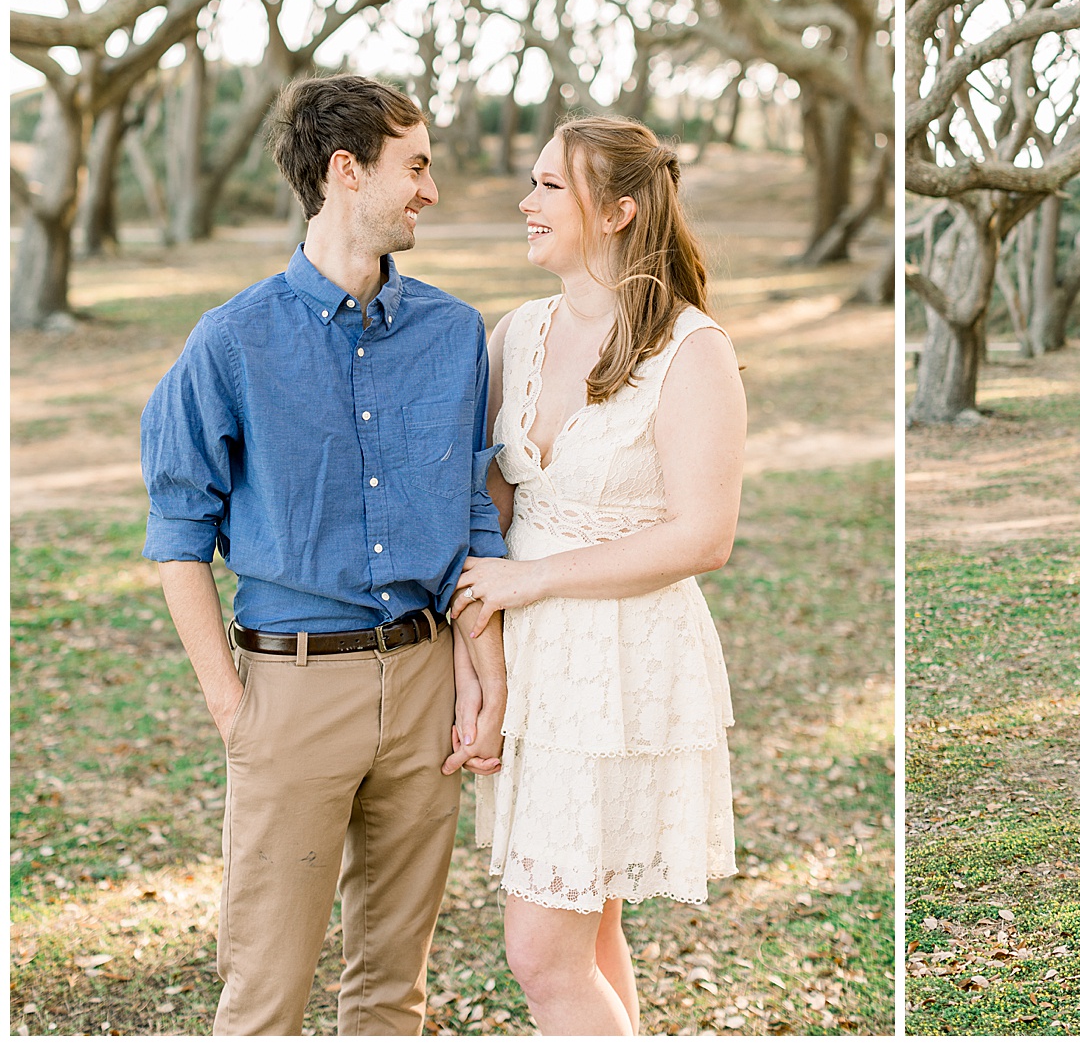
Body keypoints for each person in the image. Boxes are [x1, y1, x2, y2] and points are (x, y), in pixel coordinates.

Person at [140, 74, 506, 1036]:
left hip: (426, 684)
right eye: (415, 166)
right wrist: (234, 709)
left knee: (394, 993)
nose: (431, 189)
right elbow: (179, 538)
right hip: (290, 692)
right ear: (347, 171)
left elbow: (474, 518)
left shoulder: (455, 334)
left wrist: (476, 673)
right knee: (265, 993)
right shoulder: (230, 343)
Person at [449, 116, 743, 1035]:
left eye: (547, 187)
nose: (524, 202)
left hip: (621, 658)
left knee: (541, 954)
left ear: (617, 212)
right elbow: (487, 515)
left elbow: (704, 536)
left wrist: (532, 585)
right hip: (527, 654)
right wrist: (477, 661)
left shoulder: (692, 352)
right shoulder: (516, 334)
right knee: (590, 921)